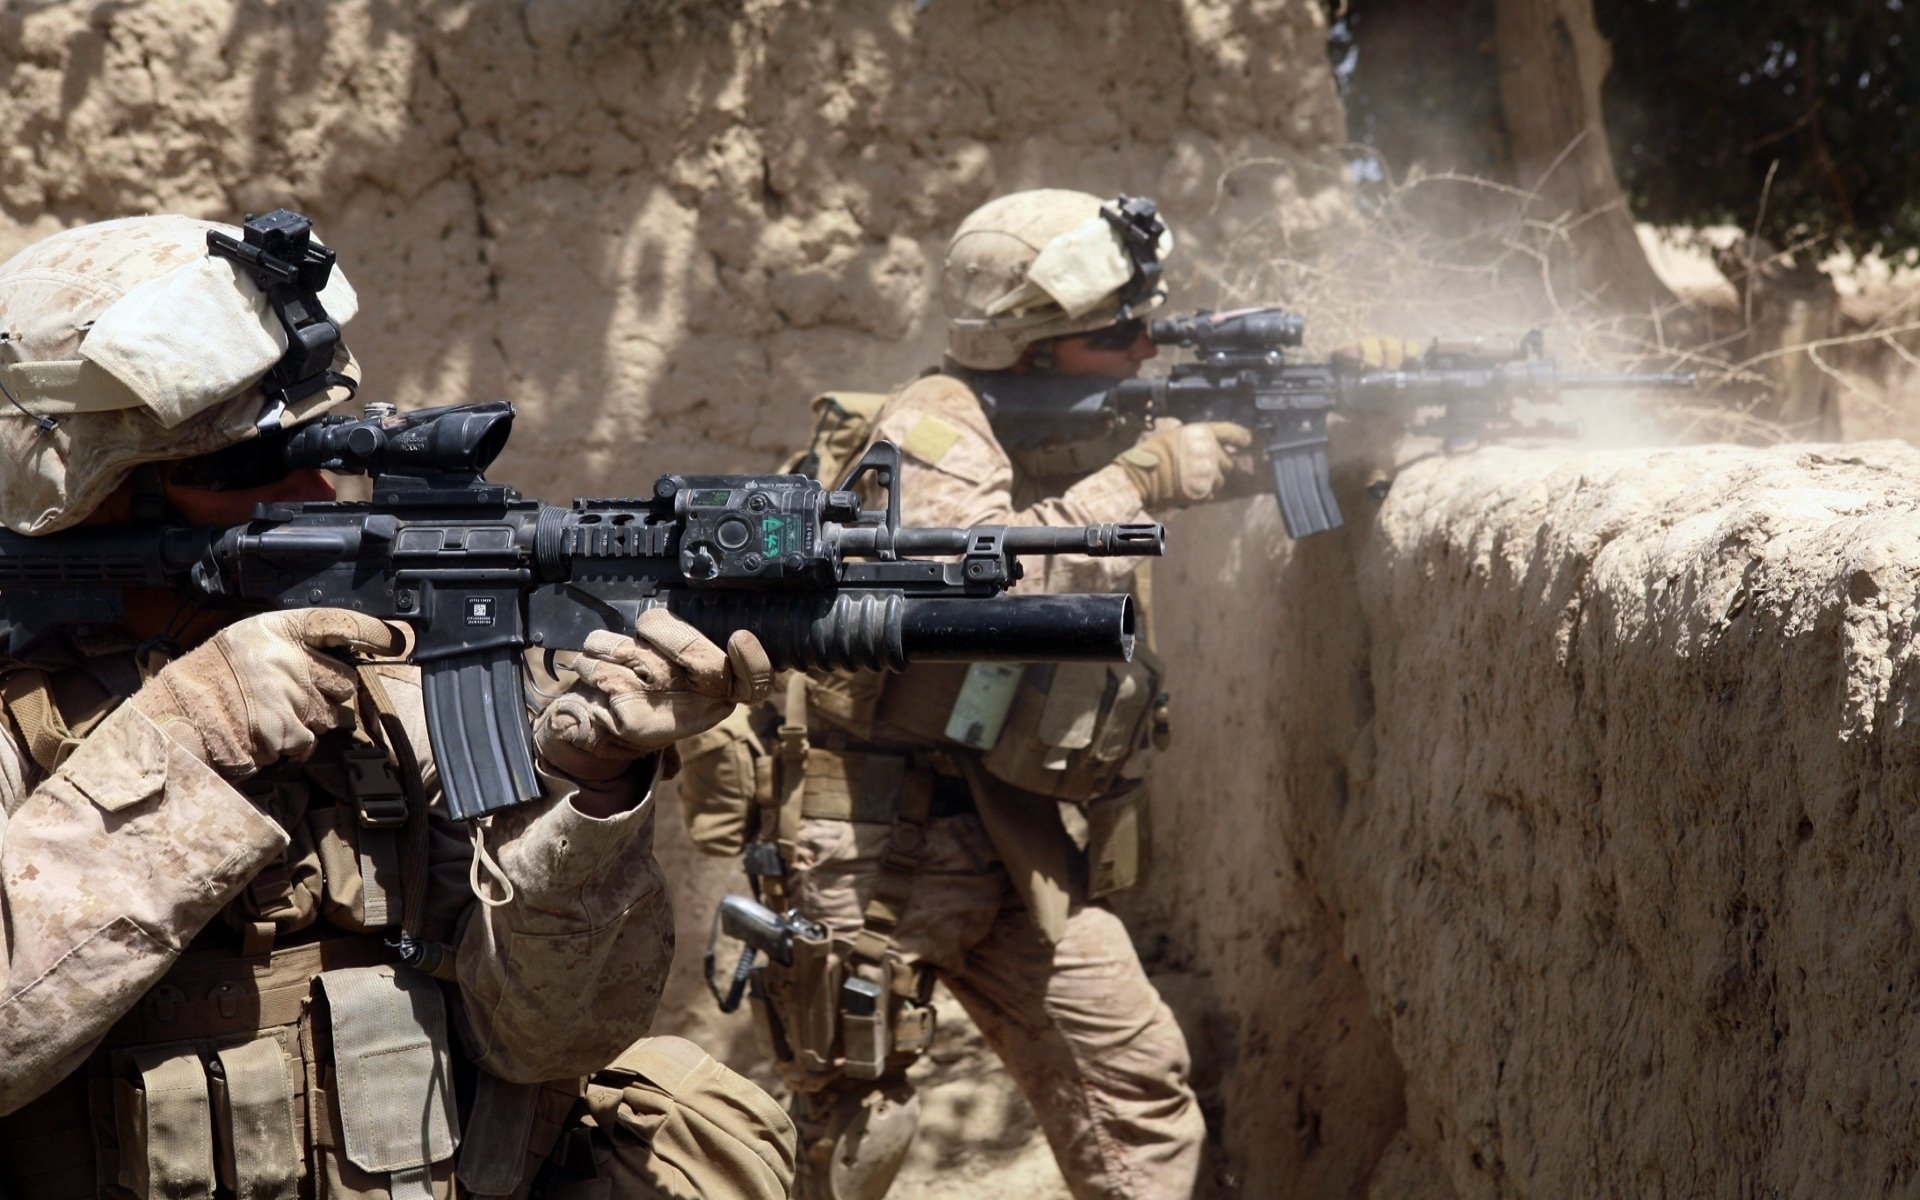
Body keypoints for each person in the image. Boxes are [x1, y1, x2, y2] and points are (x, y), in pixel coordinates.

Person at [0, 213, 796, 1199]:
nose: (319, 490)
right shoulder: (19, 703)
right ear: (98, 495)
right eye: (243, 470)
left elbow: (550, 1041)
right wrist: (191, 739)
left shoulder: (388, 675)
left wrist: (591, 797)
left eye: (316, 448)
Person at [679, 189, 1279, 1200]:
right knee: (850, 1137)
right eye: (1117, 332)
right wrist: (1140, 481)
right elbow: (967, 600)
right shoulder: (933, 434)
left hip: (1006, 832)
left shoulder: (1063, 422)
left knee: (1134, 1082)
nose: (1143, 348)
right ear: (1034, 351)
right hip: (865, 846)